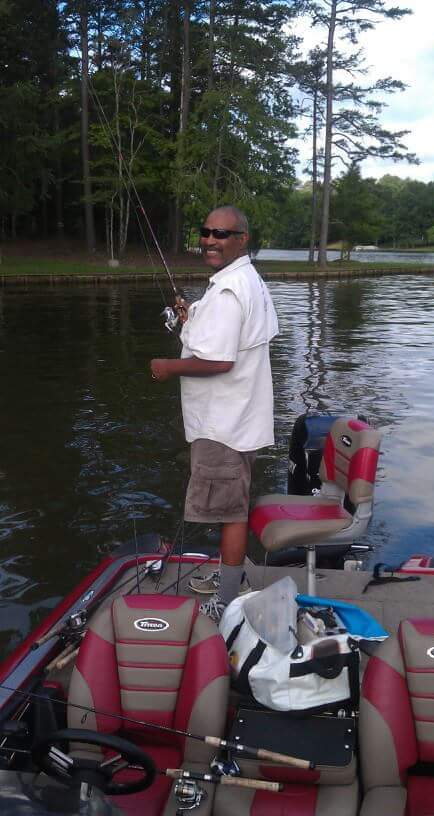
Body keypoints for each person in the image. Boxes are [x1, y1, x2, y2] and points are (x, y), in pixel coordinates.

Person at [150, 205, 278, 621]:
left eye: (221, 234)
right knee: (230, 506)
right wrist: (193, 319)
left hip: (223, 424)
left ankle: (225, 602)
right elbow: (226, 339)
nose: (209, 240)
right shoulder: (247, 281)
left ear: (242, 238)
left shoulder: (227, 291)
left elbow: (220, 362)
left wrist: (167, 367)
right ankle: (232, 578)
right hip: (241, 417)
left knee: (230, 513)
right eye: (205, 232)